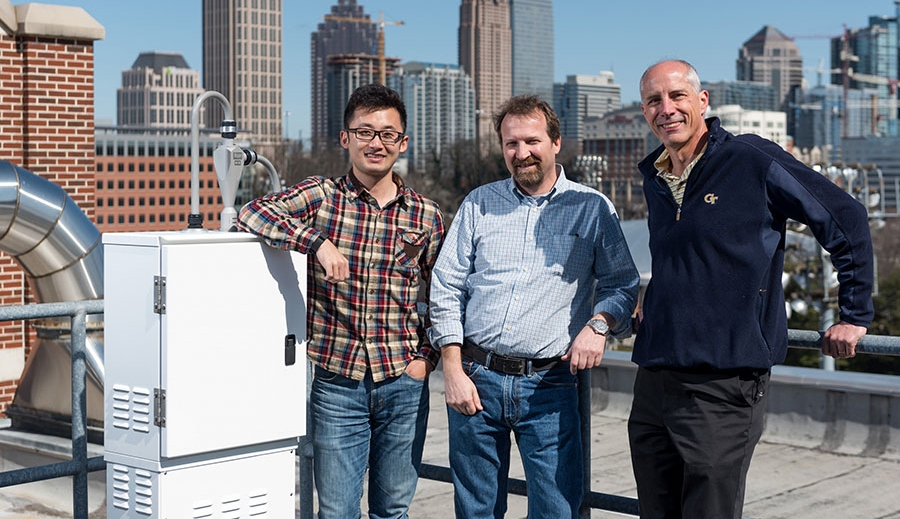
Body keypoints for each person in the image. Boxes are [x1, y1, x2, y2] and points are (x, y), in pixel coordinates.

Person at [629, 59, 874, 519]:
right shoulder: (655, 175)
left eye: (677, 96)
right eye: (653, 100)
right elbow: (684, 257)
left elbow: (847, 218)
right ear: (644, 111)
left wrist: (855, 314)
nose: (667, 108)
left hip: (723, 384)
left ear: (702, 101)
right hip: (655, 380)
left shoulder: (750, 159)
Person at [237, 83, 445, 519]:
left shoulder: (426, 215)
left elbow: (444, 293)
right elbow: (252, 212)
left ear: (403, 143)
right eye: (365, 131)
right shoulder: (322, 196)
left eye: (388, 133)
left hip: (404, 381)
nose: (376, 143)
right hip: (337, 384)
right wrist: (316, 242)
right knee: (337, 512)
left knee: (393, 510)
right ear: (345, 138)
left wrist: (426, 358)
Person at [429, 94, 640, 519]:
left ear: (556, 142)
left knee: (556, 511)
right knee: (476, 511)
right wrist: (451, 369)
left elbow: (623, 285)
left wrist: (599, 325)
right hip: (475, 378)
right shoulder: (478, 203)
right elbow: (446, 286)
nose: (521, 153)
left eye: (531, 141)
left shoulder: (593, 208)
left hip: (550, 386)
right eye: (511, 144)